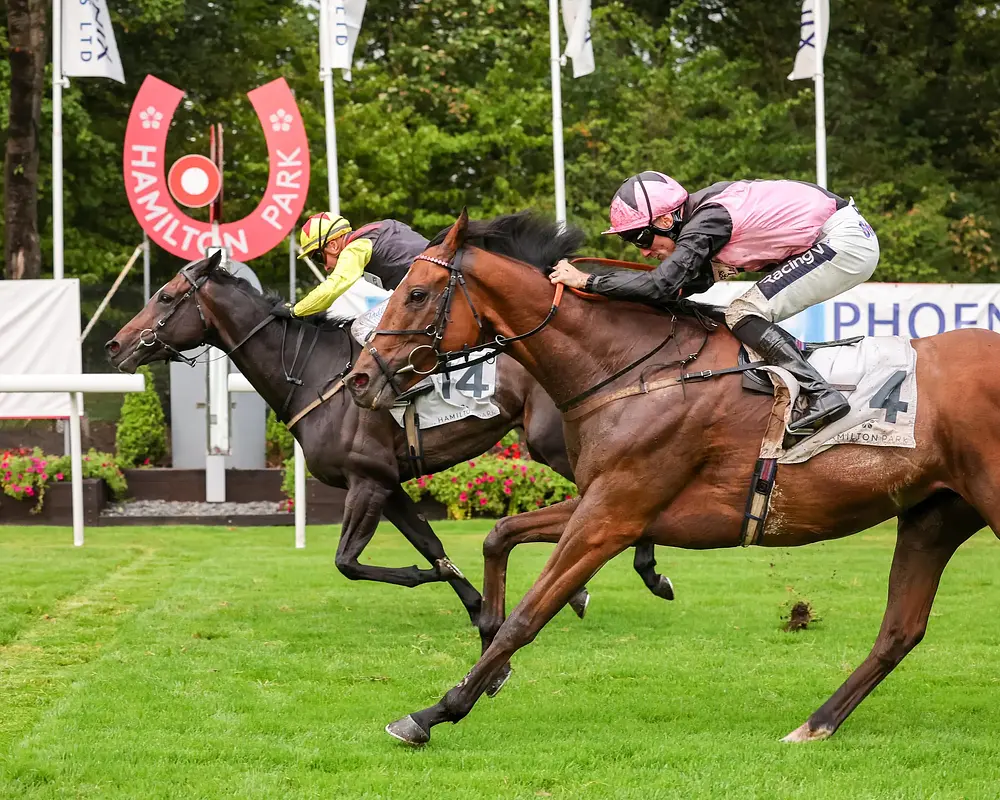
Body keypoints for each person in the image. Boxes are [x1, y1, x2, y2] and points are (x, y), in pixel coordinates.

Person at [549, 172, 880, 435]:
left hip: (843, 242)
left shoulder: (708, 220)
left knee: (743, 312)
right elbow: (688, 284)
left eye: (641, 238)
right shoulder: (705, 217)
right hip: (840, 238)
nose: (645, 251)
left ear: (666, 221)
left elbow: (662, 284)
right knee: (742, 312)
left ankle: (821, 393)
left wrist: (587, 281)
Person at [273, 212, 429, 318]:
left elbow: (332, 288)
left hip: (428, 295)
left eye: (318, 258)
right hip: (434, 288)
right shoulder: (383, 226)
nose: (326, 267)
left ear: (333, 245)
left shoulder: (355, 248)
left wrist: (295, 310)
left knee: (361, 328)